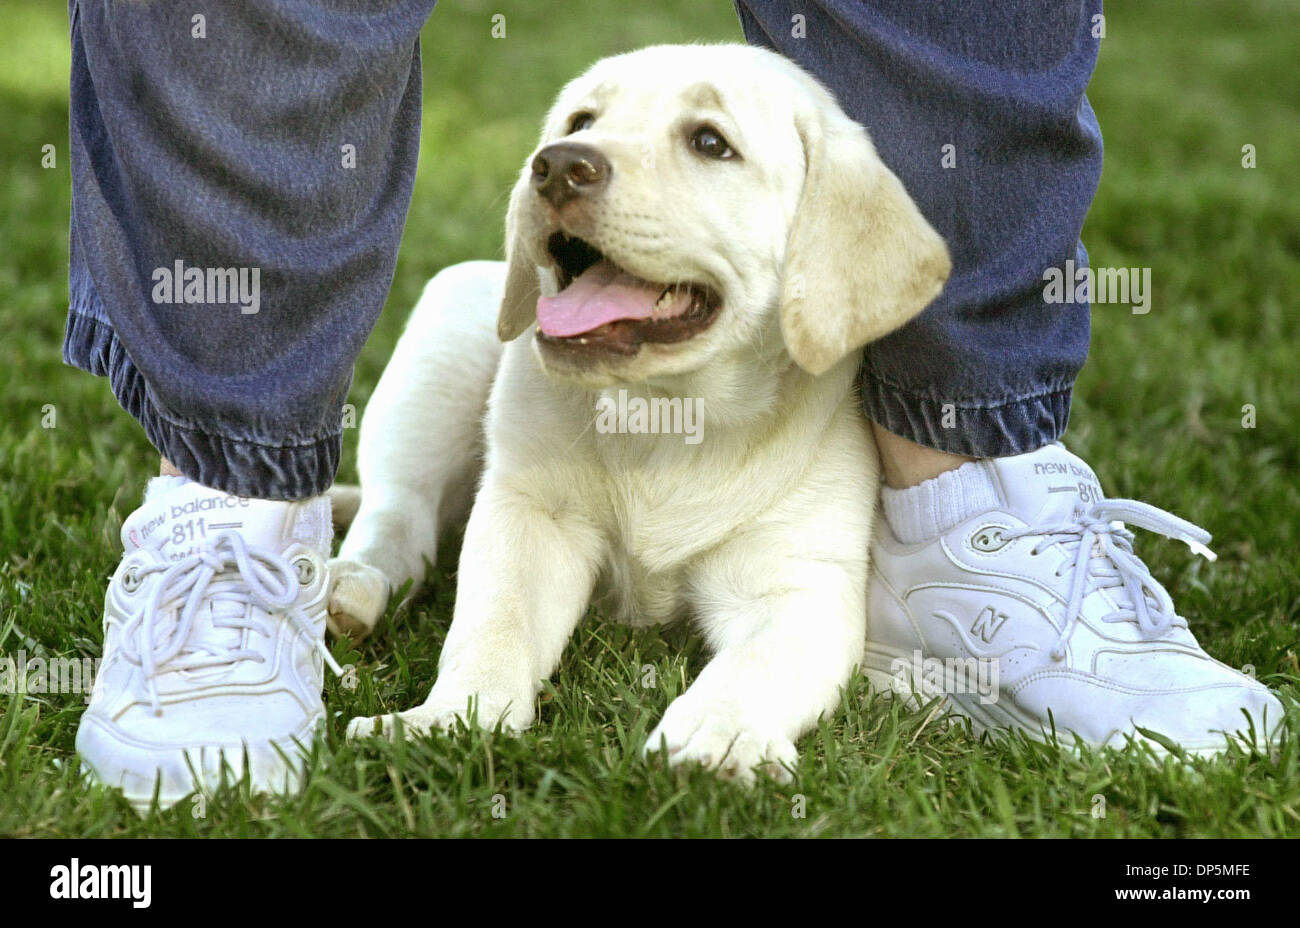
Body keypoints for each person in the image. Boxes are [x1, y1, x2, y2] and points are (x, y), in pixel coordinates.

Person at [65, 0, 1279, 807]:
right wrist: (475, 687)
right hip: (519, 457)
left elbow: (797, 615)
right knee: (452, 319)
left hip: (776, 437)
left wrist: (743, 704)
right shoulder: (547, 353)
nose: (576, 166)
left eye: (706, 143)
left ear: (826, 240)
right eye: (579, 131)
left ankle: (964, 510)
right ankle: (303, 526)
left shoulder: (817, 406)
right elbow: (533, 513)